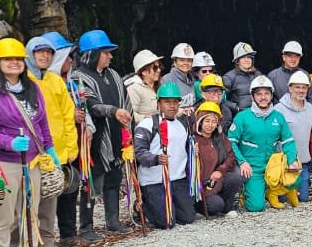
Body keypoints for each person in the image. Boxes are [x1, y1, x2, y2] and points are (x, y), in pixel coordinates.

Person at [0, 38, 59, 247]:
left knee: (30, 211)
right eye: (8, 59)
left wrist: (49, 149)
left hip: (33, 160)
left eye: (18, 59)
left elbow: (42, 123)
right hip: (6, 162)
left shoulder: (33, 89)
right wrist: (10, 142)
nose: (14, 63)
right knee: (5, 215)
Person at [69, 29, 134, 235]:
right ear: (93, 54)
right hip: (95, 141)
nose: (110, 56)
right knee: (91, 183)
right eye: (106, 52)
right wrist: (114, 112)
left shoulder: (114, 75)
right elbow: (92, 105)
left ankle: (113, 221)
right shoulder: (78, 77)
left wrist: (128, 128)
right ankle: (86, 227)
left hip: (116, 137)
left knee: (114, 178)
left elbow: (126, 102)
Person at [25, 36, 77, 247]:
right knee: (30, 203)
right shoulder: (23, 82)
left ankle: (46, 245)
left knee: (49, 201)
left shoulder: (56, 81)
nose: (45, 56)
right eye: (40, 52)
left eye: (49, 52)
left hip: (55, 152)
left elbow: (67, 115)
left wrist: (70, 147)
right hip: (31, 153)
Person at [41, 31, 92, 247]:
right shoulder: (39, 84)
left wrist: (86, 126)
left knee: (70, 187)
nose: (71, 61)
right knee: (49, 194)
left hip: (70, 145)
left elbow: (80, 110)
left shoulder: (70, 83)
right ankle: (44, 242)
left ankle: (68, 233)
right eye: (68, 56)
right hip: (48, 147)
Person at [227, 75, 299, 212]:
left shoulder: (278, 116)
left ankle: (269, 190)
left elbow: (288, 141)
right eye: (259, 94)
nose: (263, 97)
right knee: (256, 207)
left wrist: (291, 160)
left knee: (296, 177)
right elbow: (231, 142)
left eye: (266, 93)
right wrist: (242, 162)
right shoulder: (242, 117)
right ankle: (245, 192)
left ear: (271, 95)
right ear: (252, 96)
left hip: (272, 166)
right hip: (252, 167)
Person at [131, 84, 198, 229]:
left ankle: (170, 206)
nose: (172, 105)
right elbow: (139, 152)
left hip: (177, 179)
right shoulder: (148, 124)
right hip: (154, 181)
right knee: (166, 222)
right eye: (167, 102)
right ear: (158, 104)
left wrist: (194, 150)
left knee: (188, 217)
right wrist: (156, 159)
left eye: (175, 102)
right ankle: (141, 206)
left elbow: (183, 150)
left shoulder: (182, 125)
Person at [187, 101, 244, 216]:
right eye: (207, 121)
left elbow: (230, 156)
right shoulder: (193, 140)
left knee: (234, 177)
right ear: (200, 121)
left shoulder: (221, 138)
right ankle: (200, 206)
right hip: (202, 186)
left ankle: (227, 207)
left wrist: (220, 170)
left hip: (217, 179)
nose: (210, 125)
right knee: (216, 205)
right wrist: (193, 154)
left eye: (214, 121)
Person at [275, 70, 312, 204]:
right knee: (283, 199)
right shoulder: (278, 109)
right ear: (290, 88)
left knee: (303, 199)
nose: (301, 90)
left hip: (303, 161)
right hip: (284, 163)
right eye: (297, 87)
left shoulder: (310, 108)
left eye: (304, 87)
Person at [125, 49, 163, 123]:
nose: (159, 70)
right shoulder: (134, 88)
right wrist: (146, 118)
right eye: (155, 68)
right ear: (144, 71)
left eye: (160, 66)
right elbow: (128, 114)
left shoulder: (160, 86)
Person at [161, 43, 198, 112]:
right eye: (182, 60)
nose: (186, 63)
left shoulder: (192, 80)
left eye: (189, 60)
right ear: (175, 62)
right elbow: (163, 107)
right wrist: (180, 111)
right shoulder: (167, 79)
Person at [224, 42, 261, 111]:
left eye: (249, 57)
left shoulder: (258, 75)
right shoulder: (229, 77)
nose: (247, 60)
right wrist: (235, 107)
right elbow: (222, 99)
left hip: (258, 113)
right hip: (240, 114)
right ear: (237, 61)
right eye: (243, 57)